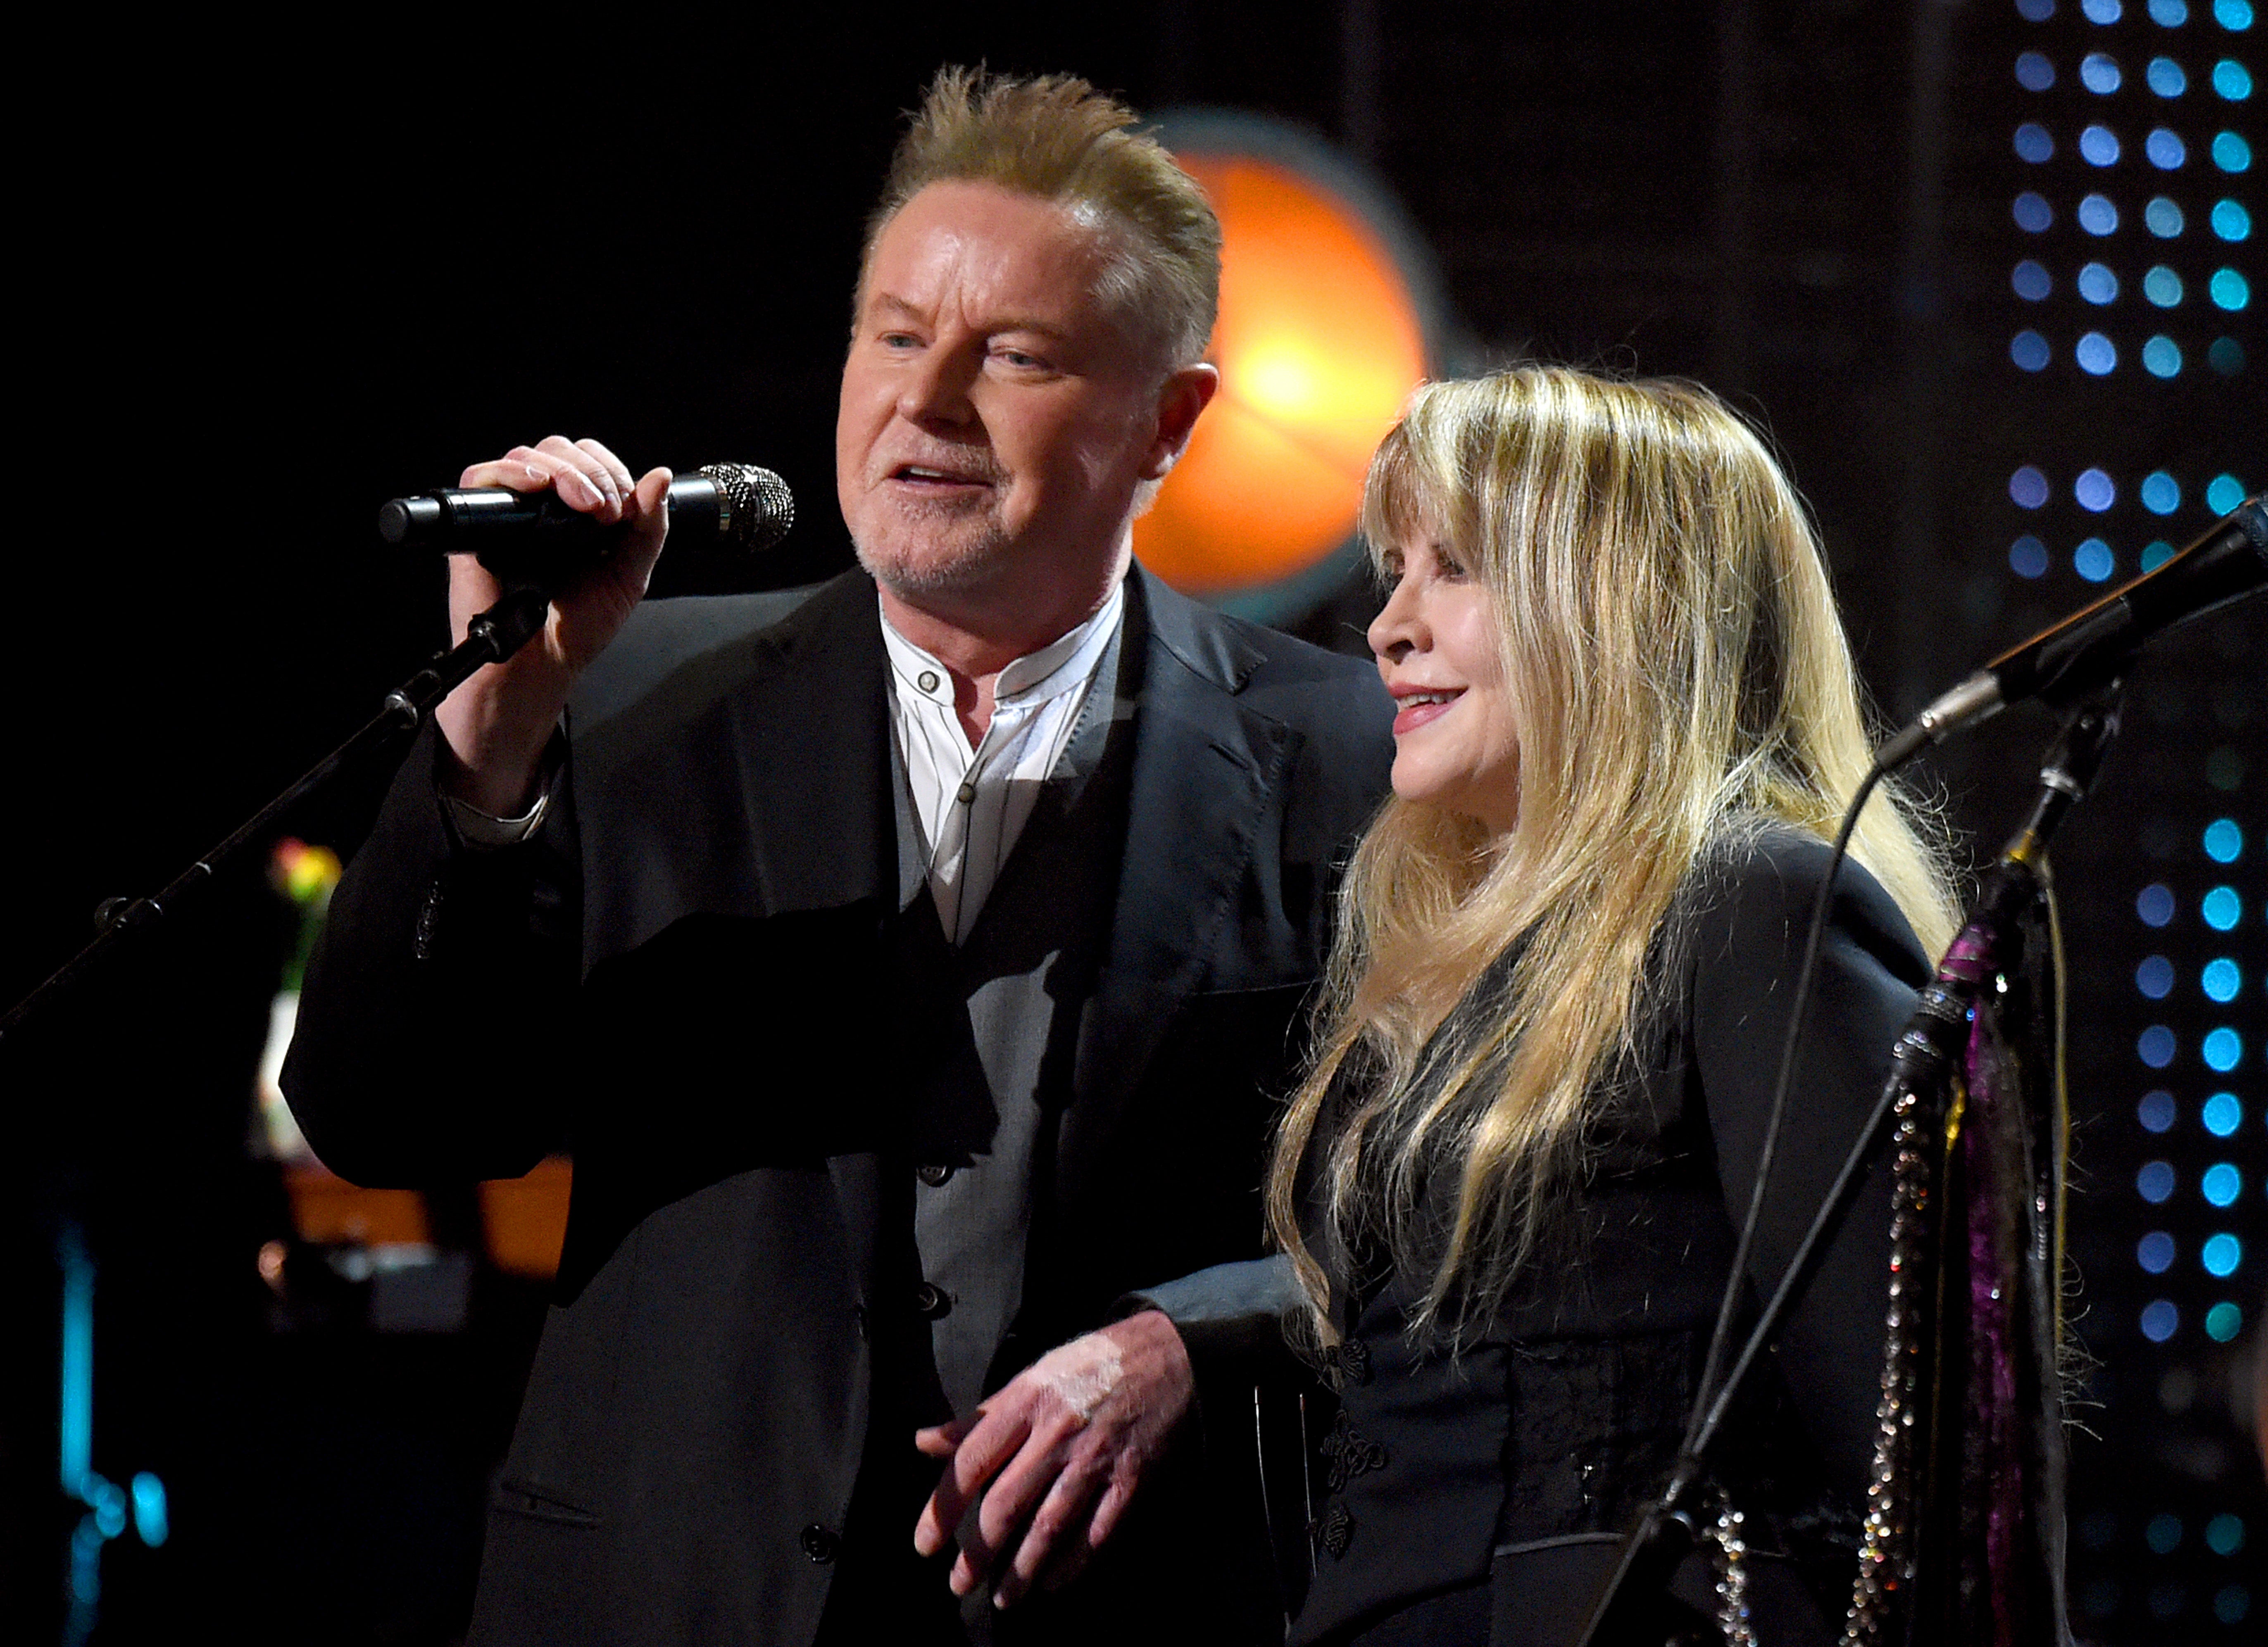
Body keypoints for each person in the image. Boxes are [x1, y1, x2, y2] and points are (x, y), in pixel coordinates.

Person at [282, 68, 1393, 1646]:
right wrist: (488, 732)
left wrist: (1188, 1347)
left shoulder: (1350, 757)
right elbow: (380, 1115)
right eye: (895, 335)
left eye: (1013, 354)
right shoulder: (634, 702)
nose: (925, 404)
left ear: (1170, 420)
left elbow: (1448, 1229)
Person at [1034, 366, 1961, 1644]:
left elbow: (1918, 1448)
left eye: (1456, 568)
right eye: (1396, 567)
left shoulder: (1757, 904)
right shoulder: (1454, 976)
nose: (1388, 624)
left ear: (1622, 605)